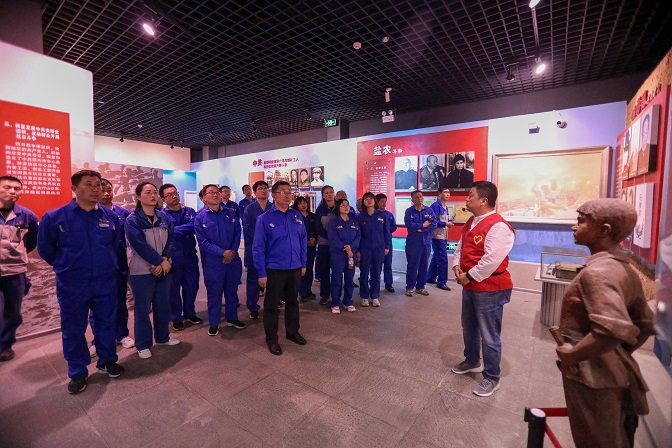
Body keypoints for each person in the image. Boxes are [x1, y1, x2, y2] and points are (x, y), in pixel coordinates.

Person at [555, 199, 654, 448]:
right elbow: (643, 324)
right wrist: (620, 353)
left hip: (591, 374)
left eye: (581, 221)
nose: (574, 227)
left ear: (603, 230)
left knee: (595, 440)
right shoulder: (623, 268)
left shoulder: (597, 273)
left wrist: (572, 355)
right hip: (612, 368)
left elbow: (610, 330)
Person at [38, 170, 125, 394]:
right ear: (74, 188)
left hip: (105, 281)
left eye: (98, 184)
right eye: (89, 184)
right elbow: (46, 249)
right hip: (73, 283)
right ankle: (77, 371)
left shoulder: (110, 217)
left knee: (106, 322)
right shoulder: (55, 217)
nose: (96, 189)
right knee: (73, 328)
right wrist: (66, 266)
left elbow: (114, 245)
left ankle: (107, 360)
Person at [451, 181, 515, 397]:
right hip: (469, 285)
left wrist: (468, 276)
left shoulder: (499, 226)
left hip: (490, 288)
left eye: (471, 195)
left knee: (489, 334)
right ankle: (472, 360)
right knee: (469, 327)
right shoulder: (471, 221)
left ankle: (492, 377)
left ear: (483, 201)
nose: (467, 199)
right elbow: (461, 247)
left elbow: (491, 260)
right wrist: (457, 266)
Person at [125, 182, 179, 359]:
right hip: (141, 271)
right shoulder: (133, 220)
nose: (153, 195)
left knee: (163, 305)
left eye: (155, 192)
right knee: (142, 309)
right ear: (138, 197)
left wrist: (165, 259)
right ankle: (143, 344)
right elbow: (139, 246)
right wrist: (157, 263)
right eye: (148, 192)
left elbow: (171, 240)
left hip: (164, 268)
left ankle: (163, 337)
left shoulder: (164, 217)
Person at [253, 181, 307, 355]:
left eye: (289, 192)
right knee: (271, 306)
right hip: (275, 269)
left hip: (295, 267)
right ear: (274, 196)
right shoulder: (264, 219)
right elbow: (258, 248)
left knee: (293, 302)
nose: (287, 195)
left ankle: (292, 332)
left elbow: (303, 241)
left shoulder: (297, 216)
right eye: (283, 192)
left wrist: (303, 263)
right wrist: (261, 272)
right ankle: (272, 339)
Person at [88, 179, 135, 359]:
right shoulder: (89, 213)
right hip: (97, 266)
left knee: (120, 301)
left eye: (109, 190)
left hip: (119, 264)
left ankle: (121, 334)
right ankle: (97, 340)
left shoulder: (123, 213)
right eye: (103, 190)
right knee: (96, 305)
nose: (107, 193)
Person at [194, 184, 246, 336]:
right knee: (214, 293)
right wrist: (222, 253)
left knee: (232, 290)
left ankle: (232, 318)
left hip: (233, 259)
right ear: (204, 198)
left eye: (217, 192)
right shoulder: (200, 217)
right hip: (213, 262)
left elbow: (237, 233)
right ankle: (214, 322)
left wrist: (232, 252)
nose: (215, 195)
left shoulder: (230, 213)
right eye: (211, 192)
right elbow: (202, 242)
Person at [0, 176, 38, 362]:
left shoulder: (27, 216)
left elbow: (31, 241)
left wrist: (16, 255)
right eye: (7, 187)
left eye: (17, 188)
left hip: (15, 272)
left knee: (12, 312)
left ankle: (4, 346)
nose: (13, 191)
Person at [159, 183, 201, 331]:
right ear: (163, 199)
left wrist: (173, 230)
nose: (174, 196)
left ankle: (190, 313)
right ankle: (176, 317)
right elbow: (163, 232)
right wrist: (183, 230)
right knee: (173, 290)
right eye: (169, 195)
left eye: (175, 193)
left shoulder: (190, 211)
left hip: (189, 255)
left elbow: (194, 226)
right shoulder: (161, 215)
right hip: (172, 257)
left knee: (192, 286)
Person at [242, 181, 273, 319]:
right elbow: (247, 228)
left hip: (272, 250)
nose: (264, 191)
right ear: (255, 192)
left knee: (272, 279)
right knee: (253, 280)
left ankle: (271, 306)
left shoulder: (273, 207)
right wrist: (261, 240)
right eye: (260, 189)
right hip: (255, 249)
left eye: (266, 188)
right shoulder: (249, 209)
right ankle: (253, 306)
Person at [357, 192, 391, 307]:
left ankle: (375, 296)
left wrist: (387, 246)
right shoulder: (360, 217)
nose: (368, 200)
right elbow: (358, 235)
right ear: (363, 202)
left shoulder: (382, 215)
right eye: (366, 199)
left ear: (374, 201)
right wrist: (358, 250)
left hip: (379, 248)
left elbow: (387, 232)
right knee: (364, 273)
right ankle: (364, 296)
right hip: (365, 248)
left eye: (370, 198)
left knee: (376, 272)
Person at [328, 198, 361, 313]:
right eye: (343, 205)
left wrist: (351, 248)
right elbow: (333, 238)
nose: (346, 207)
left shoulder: (353, 222)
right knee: (337, 279)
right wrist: (346, 248)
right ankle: (335, 303)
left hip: (351, 255)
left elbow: (358, 236)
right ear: (338, 207)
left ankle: (348, 301)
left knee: (349, 279)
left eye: (347, 204)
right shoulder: (334, 222)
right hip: (338, 254)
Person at [404, 190, 437, 296]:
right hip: (413, 243)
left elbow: (434, 224)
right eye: (416, 197)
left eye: (421, 196)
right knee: (412, 265)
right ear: (412, 199)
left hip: (426, 242)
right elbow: (409, 224)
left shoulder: (429, 210)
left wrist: (421, 230)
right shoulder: (409, 211)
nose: (419, 198)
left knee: (424, 265)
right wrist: (423, 225)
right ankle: (410, 287)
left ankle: (420, 287)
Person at [426, 187, 455, 290]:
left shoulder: (445, 206)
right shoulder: (435, 205)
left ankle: (430, 277)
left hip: (443, 235)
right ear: (439, 194)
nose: (448, 194)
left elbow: (442, 220)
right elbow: (433, 221)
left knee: (436, 257)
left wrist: (449, 222)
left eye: (449, 192)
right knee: (443, 259)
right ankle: (442, 282)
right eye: (445, 192)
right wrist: (445, 224)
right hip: (437, 236)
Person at [315, 185, 337, 305]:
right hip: (324, 244)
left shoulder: (339, 207)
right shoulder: (320, 210)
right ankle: (325, 295)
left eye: (331, 192)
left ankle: (336, 295)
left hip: (338, 245)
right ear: (323, 196)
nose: (329, 194)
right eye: (326, 193)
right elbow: (318, 227)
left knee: (337, 271)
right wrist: (331, 237)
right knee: (324, 272)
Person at [294, 196, 317, 302]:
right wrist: (305, 241)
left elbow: (316, 229)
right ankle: (302, 292)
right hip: (300, 247)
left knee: (309, 269)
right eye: (300, 203)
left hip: (312, 247)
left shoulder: (312, 216)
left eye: (304, 202)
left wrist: (314, 239)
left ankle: (308, 290)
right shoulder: (295, 217)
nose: (303, 205)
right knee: (301, 270)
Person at [376, 193, 397, 292]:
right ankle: (373, 283)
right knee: (376, 264)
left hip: (387, 242)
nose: (384, 204)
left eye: (385, 202)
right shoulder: (374, 214)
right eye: (382, 202)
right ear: (377, 202)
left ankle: (388, 283)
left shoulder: (389, 215)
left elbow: (394, 226)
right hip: (377, 242)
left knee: (388, 263)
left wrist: (387, 232)